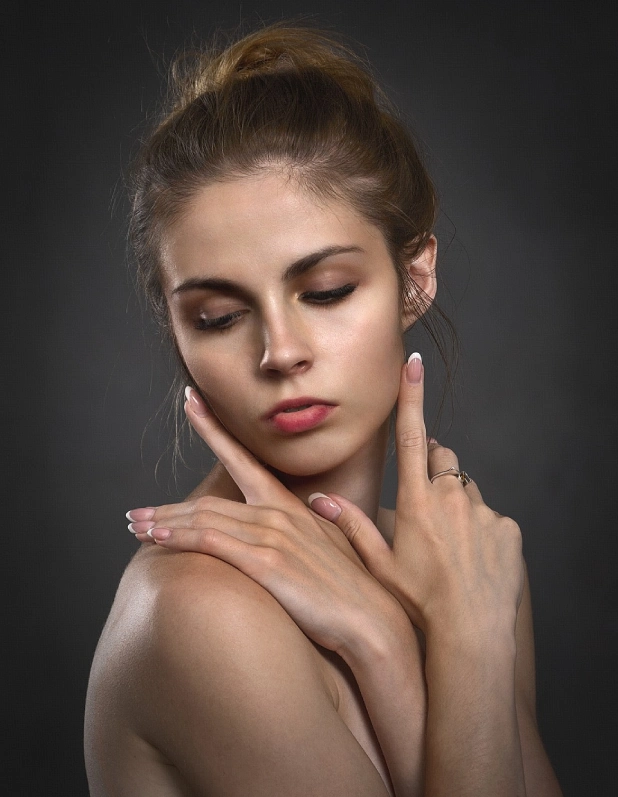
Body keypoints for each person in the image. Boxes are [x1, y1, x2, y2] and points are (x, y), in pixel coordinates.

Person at [84, 23, 562, 797]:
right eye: (217, 316)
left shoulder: (464, 566)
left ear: (415, 277)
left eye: (327, 290)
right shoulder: (198, 613)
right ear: (176, 329)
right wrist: (401, 642)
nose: (280, 351)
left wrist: (402, 644)